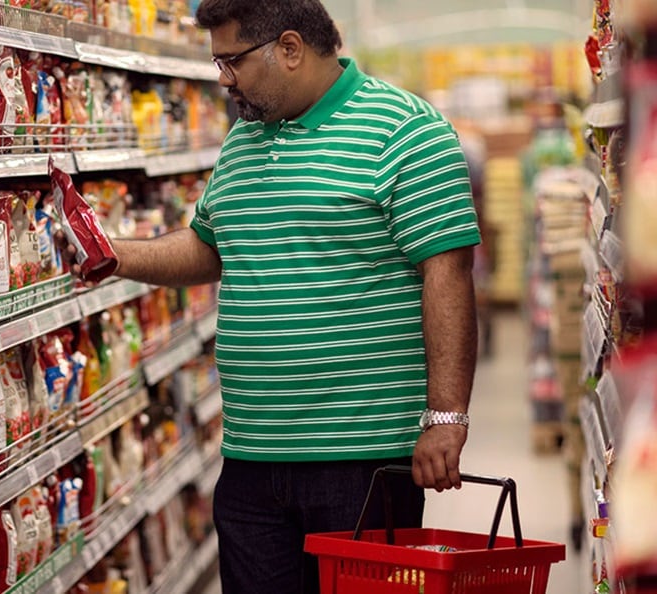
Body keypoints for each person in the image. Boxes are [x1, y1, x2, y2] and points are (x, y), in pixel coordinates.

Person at [62, 0, 480, 591]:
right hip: (251, 456)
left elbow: (449, 273)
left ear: (289, 48)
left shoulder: (407, 130)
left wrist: (445, 417)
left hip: (360, 460)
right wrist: (115, 253)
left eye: (231, 62)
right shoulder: (242, 141)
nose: (223, 79)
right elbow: (211, 248)